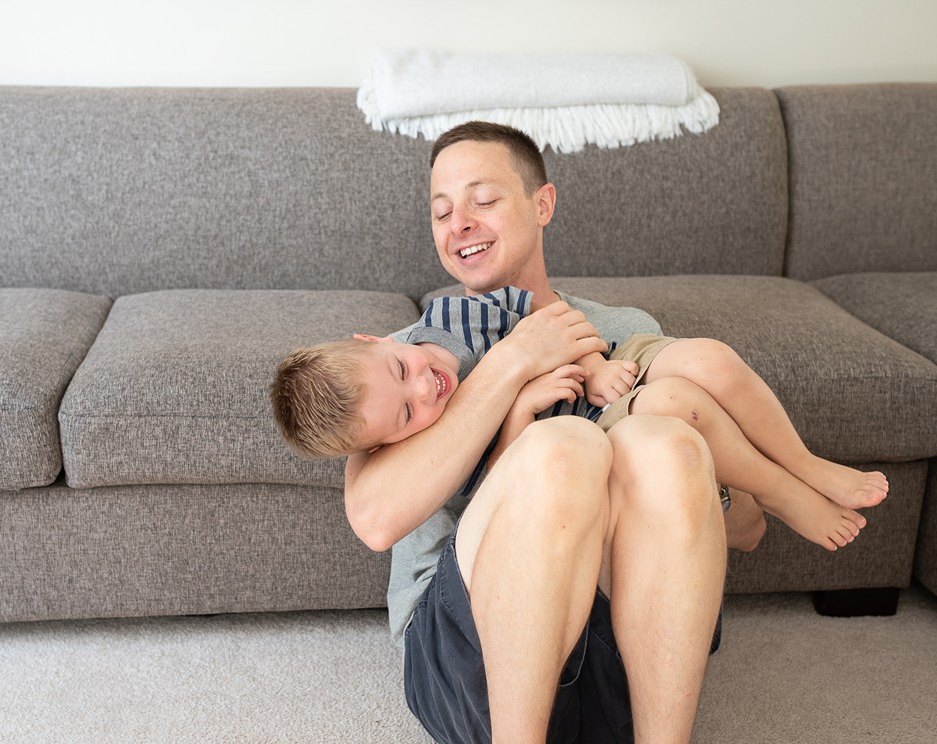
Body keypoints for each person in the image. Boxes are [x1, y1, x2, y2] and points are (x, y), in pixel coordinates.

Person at [324, 120, 735, 743]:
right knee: (561, 450)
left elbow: (748, 525)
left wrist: (703, 474)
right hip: (465, 665)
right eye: (441, 212)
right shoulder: (408, 362)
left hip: (622, 645)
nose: (458, 223)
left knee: (665, 445)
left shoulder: (622, 327)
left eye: (482, 200)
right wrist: (514, 360)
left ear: (542, 204)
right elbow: (376, 520)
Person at [272, 281, 885, 551]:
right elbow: (507, 486)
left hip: (607, 370)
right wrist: (518, 405)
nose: (425, 392)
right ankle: (782, 493)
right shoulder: (441, 439)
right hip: (589, 431)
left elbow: (550, 317)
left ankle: (807, 465)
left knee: (712, 361)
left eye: (403, 371)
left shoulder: (454, 319)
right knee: (677, 407)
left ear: (380, 338)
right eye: (406, 414)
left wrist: (593, 365)